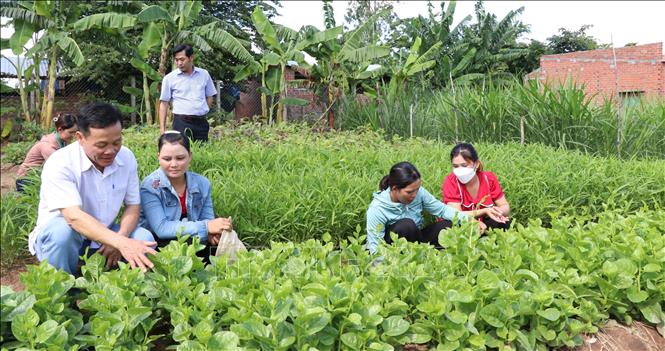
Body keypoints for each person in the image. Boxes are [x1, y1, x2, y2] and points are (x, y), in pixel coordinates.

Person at [28, 102, 157, 275]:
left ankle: (126, 292)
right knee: (62, 234)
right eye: (101, 145)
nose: (111, 151)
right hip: (65, 235)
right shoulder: (60, 162)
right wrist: (119, 242)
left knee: (145, 239)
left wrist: (121, 237)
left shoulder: (126, 157)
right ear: (80, 138)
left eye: (116, 142)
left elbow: (133, 206)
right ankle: (63, 294)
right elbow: (73, 218)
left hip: (107, 234)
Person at [366, 162, 507, 254]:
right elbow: (374, 247)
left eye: (417, 190)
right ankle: (417, 256)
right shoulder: (377, 209)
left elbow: (443, 210)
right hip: (394, 247)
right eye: (409, 192)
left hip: (416, 239)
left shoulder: (418, 192)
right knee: (406, 225)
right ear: (395, 189)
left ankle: (427, 255)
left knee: (447, 224)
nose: (415, 195)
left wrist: (470, 220)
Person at [139, 131, 232, 251]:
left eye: (180, 158)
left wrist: (212, 234)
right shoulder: (150, 186)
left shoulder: (202, 184)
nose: (173, 164)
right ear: (158, 158)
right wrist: (207, 227)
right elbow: (161, 229)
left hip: (190, 241)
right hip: (156, 244)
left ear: (190, 156)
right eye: (167, 159)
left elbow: (207, 218)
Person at [442, 143, 511, 230]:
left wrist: (498, 212)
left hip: (483, 222)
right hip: (462, 222)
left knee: (504, 223)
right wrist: (485, 211)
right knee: (449, 226)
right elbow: (456, 215)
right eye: (455, 166)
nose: (460, 170)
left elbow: (504, 205)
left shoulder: (488, 178)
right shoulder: (451, 181)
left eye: (464, 165)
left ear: (477, 164)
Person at [159, 44, 216, 142]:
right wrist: (162, 130)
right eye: (176, 60)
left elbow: (210, 96)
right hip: (181, 122)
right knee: (182, 150)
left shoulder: (204, 74)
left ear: (191, 57)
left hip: (201, 122)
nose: (179, 63)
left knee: (203, 151)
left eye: (182, 59)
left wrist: (203, 111)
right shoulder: (169, 78)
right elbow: (164, 104)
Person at [15, 114, 78, 192]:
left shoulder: (62, 140)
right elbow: (60, 166)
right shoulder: (47, 145)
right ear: (60, 129)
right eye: (71, 132)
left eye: (75, 132)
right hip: (26, 180)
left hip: (37, 177)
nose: (74, 135)